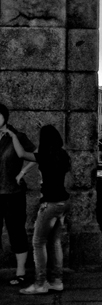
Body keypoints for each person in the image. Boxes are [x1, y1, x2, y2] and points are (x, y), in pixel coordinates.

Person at [8, 124, 71, 295]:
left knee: (38, 242)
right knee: (55, 242)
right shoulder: (63, 155)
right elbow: (39, 161)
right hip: (63, 202)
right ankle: (57, 281)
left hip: (49, 204)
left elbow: (22, 154)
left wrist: (13, 136)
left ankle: (40, 283)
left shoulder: (44, 156)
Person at [0, 103, 36, 287]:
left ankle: (20, 272)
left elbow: (37, 155)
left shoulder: (17, 136)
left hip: (13, 193)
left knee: (16, 232)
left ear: (5, 117)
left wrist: (22, 172)